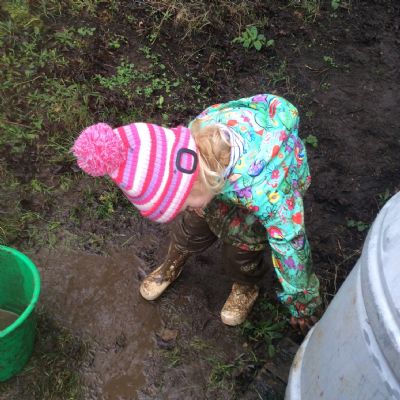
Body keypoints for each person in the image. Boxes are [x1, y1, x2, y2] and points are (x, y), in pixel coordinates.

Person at [72, 94, 321, 333]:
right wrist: (196, 203)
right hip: (218, 184)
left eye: (183, 204)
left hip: (260, 188)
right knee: (190, 227)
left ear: (195, 184)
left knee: (242, 249)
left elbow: (292, 247)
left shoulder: (270, 192)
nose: (185, 209)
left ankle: (245, 285)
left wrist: (303, 304)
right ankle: (173, 262)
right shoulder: (197, 135)